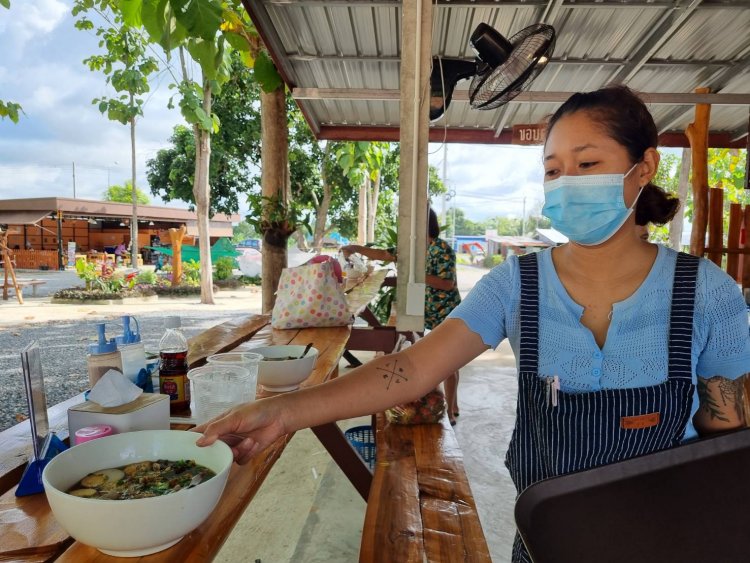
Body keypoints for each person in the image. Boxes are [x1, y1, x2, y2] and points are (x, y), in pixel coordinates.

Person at [195, 86, 750, 561]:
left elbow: (724, 440)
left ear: (643, 168)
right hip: (546, 543)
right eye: (553, 170)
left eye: (586, 165)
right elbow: (411, 370)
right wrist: (283, 411)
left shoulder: (707, 295)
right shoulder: (517, 285)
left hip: (664, 543)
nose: (566, 182)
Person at [341, 208, 463, 424]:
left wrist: (415, 274)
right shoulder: (411, 248)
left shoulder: (442, 249)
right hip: (424, 310)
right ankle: (452, 404)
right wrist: (352, 248)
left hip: (446, 311)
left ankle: (451, 411)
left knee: (449, 363)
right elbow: (383, 254)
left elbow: (447, 283)